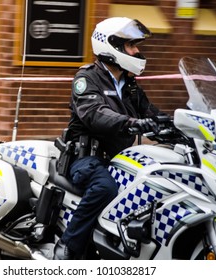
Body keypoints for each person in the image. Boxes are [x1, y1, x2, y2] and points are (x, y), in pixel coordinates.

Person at [53, 17, 166, 260]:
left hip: (119, 157)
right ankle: (67, 246)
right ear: (111, 46)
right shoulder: (87, 79)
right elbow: (95, 115)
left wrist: (180, 126)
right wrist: (132, 123)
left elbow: (152, 113)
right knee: (105, 188)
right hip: (86, 158)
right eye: (131, 46)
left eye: (136, 45)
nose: (137, 51)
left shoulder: (130, 84)